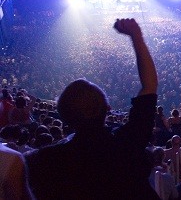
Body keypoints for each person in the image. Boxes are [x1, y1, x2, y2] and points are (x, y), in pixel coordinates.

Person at [26, 18, 159, 199]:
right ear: (108, 108)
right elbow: (149, 86)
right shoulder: (127, 142)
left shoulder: (46, 160)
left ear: (63, 116)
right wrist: (136, 36)